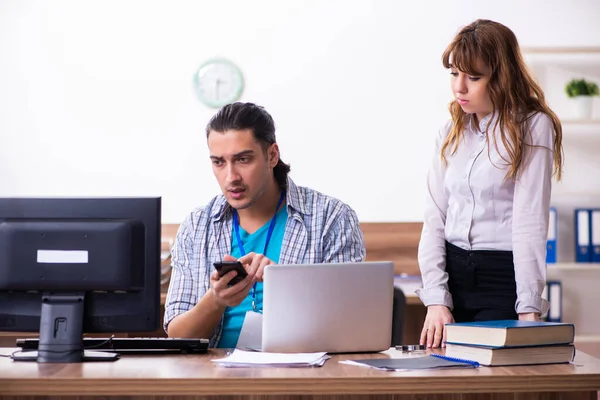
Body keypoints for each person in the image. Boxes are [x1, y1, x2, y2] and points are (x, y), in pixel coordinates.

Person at [164, 102, 366, 347]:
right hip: (214, 379)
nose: (231, 177)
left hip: (298, 377)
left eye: (243, 159)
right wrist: (216, 300)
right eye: (218, 162)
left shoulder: (331, 219)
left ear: (272, 155)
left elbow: (348, 326)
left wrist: (285, 286)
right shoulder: (197, 227)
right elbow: (178, 336)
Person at [416, 19, 564, 348]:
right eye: (454, 73)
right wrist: (436, 298)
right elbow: (434, 218)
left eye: (474, 77)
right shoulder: (450, 132)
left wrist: (528, 308)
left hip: (502, 279)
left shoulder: (532, 127)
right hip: (452, 276)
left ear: (501, 76)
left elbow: (529, 221)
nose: (460, 88)